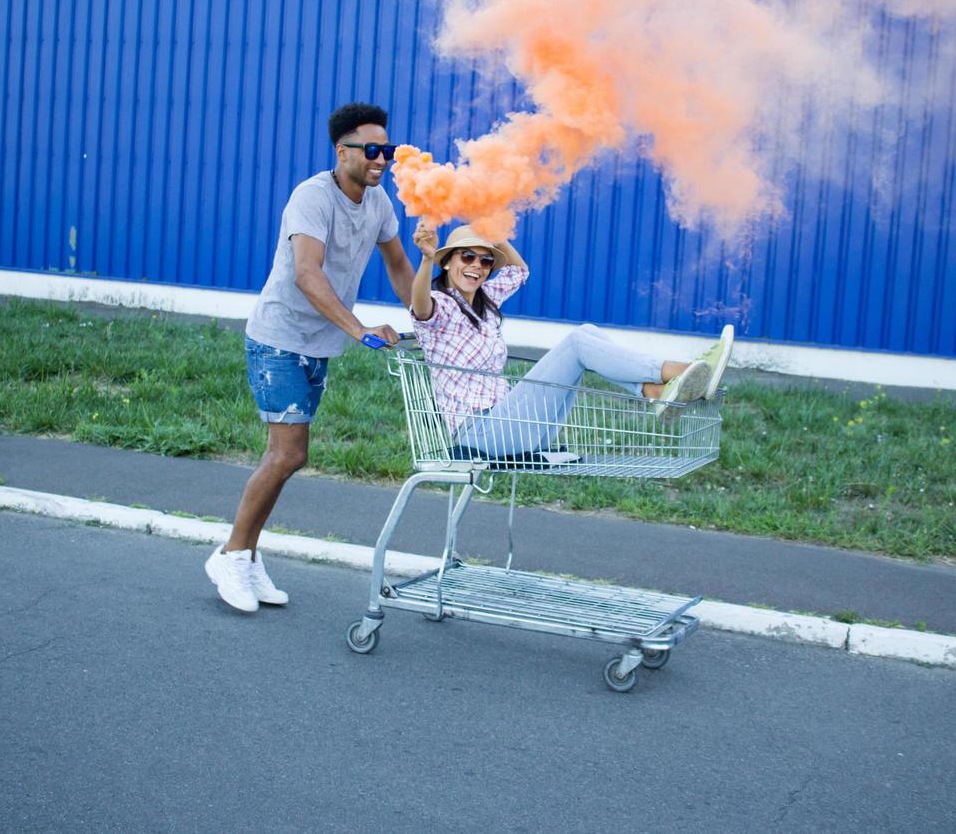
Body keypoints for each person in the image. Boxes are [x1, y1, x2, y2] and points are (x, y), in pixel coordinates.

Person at [205, 103, 416, 613]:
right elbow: (307, 274)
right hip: (279, 338)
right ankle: (232, 554)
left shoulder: (378, 202)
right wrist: (359, 329)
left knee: (290, 456)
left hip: (317, 343)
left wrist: (429, 321)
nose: (382, 159)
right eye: (371, 150)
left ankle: (246, 556)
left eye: (387, 150)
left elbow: (398, 264)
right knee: (286, 454)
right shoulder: (312, 197)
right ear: (342, 151)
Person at [408, 219, 734, 460]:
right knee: (578, 343)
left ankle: (652, 391)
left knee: (588, 333)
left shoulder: (485, 300)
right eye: (467, 257)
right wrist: (425, 260)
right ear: (447, 261)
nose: (477, 266)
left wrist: (495, 230)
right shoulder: (442, 307)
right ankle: (677, 370)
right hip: (484, 433)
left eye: (485, 260)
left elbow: (520, 271)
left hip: (513, 424)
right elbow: (422, 306)